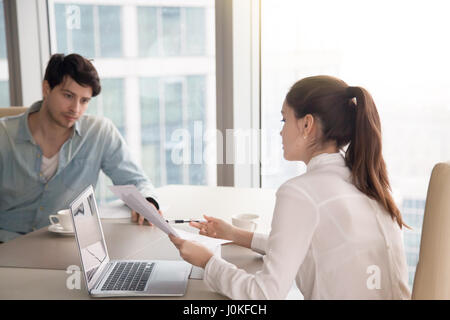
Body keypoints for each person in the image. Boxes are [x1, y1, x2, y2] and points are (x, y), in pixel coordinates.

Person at [169, 75, 411, 299]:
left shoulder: (300, 192)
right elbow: (307, 246)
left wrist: (208, 261)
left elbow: (264, 294)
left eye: (285, 119)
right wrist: (235, 234)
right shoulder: (368, 182)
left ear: (307, 125)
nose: (281, 131)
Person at [0, 53, 160, 243]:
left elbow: (135, 181)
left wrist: (146, 201)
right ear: (46, 88)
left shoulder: (99, 132)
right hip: (7, 245)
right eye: (68, 96)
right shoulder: (4, 135)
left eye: (84, 101)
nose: (75, 109)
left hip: (66, 246)